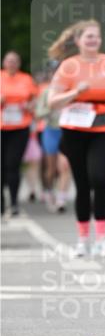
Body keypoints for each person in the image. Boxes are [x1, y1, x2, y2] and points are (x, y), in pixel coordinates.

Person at [47, 21, 105, 256]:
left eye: (96, 37)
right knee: (82, 184)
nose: (92, 40)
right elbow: (52, 102)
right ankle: (82, 239)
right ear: (78, 41)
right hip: (75, 128)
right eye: (88, 37)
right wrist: (75, 92)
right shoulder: (69, 66)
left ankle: (102, 238)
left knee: (99, 179)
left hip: (103, 127)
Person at [1, 51, 38, 216]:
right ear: (4, 63)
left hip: (20, 127)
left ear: (19, 63)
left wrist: (29, 106)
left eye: (15, 61)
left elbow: (35, 101)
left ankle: (14, 202)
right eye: (9, 61)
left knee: (13, 165)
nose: (11, 64)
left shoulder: (26, 79)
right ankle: (1, 202)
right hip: (1, 126)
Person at [35, 75, 71, 213]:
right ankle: (49, 190)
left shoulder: (70, 91)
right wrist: (50, 109)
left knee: (65, 166)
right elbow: (38, 113)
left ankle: (61, 199)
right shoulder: (46, 92)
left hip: (66, 131)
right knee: (50, 169)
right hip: (51, 131)